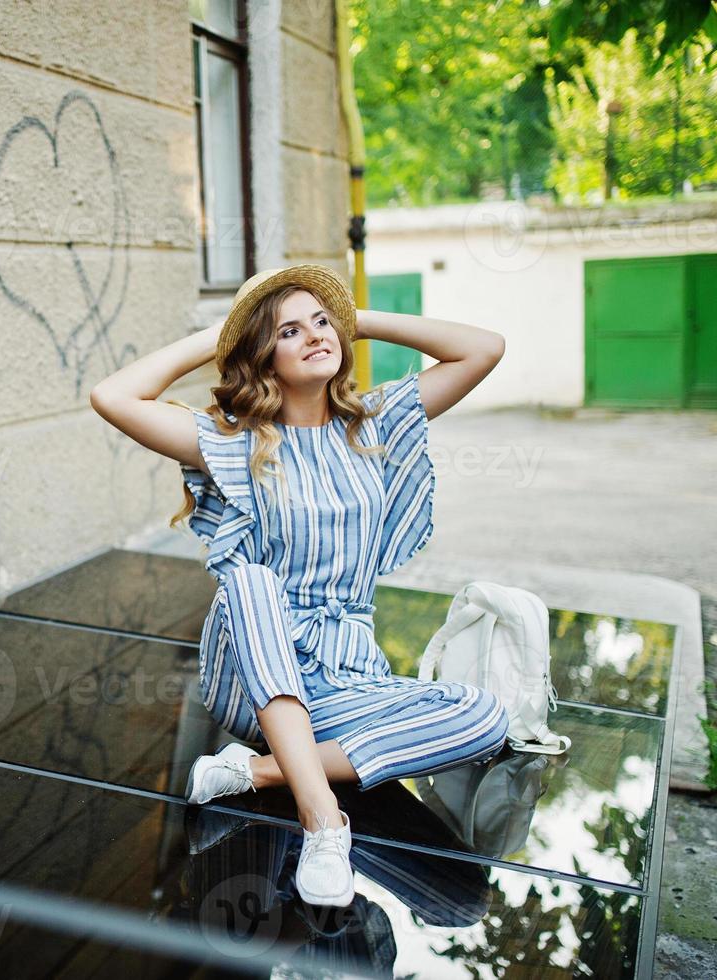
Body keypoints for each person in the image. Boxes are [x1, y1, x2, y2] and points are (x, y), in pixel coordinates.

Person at [89, 264, 511, 908]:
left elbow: (484, 347)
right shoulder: (233, 442)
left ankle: (255, 771)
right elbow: (113, 397)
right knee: (251, 580)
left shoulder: (375, 425)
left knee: (483, 718)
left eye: (322, 323)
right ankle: (321, 823)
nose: (316, 336)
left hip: (346, 677)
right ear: (263, 356)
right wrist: (222, 334)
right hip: (254, 662)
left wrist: (353, 319)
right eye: (290, 330)